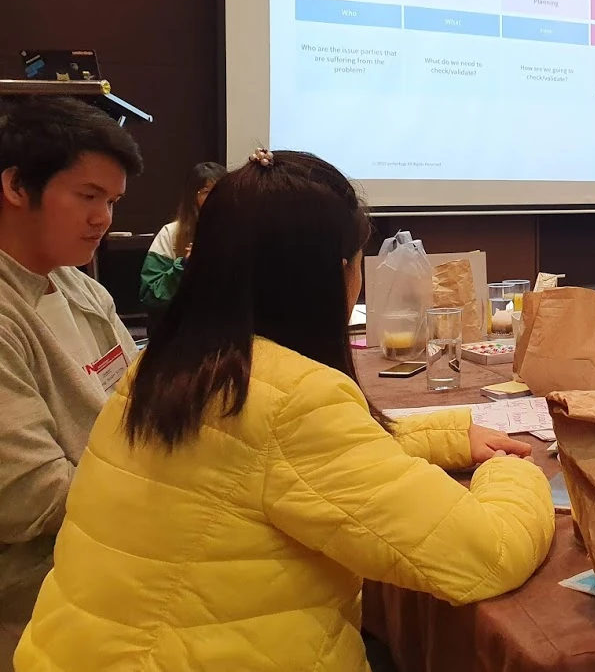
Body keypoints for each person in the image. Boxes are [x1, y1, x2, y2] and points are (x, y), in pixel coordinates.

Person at [16, 150, 554, 672]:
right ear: (333, 275)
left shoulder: (171, 364)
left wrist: (454, 433)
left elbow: (279, 462)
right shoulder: (292, 400)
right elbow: (487, 553)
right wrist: (511, 469)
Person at [0, 97, 142, 670]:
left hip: (118, 539)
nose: (102, 219)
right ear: (15, 185)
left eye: (111, 202)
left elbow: (142, 398)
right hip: (43, 588)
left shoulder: (79, 285)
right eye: (88, 196)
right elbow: (29, 498)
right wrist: (167, 489)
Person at [138, 161, 225, 324]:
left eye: (220, 191)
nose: (216, 198)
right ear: (193, 197)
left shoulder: (241, 232)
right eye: (206, 192)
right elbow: (150, 297)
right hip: (181, 329)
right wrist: (184, 265)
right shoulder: (171, 233)